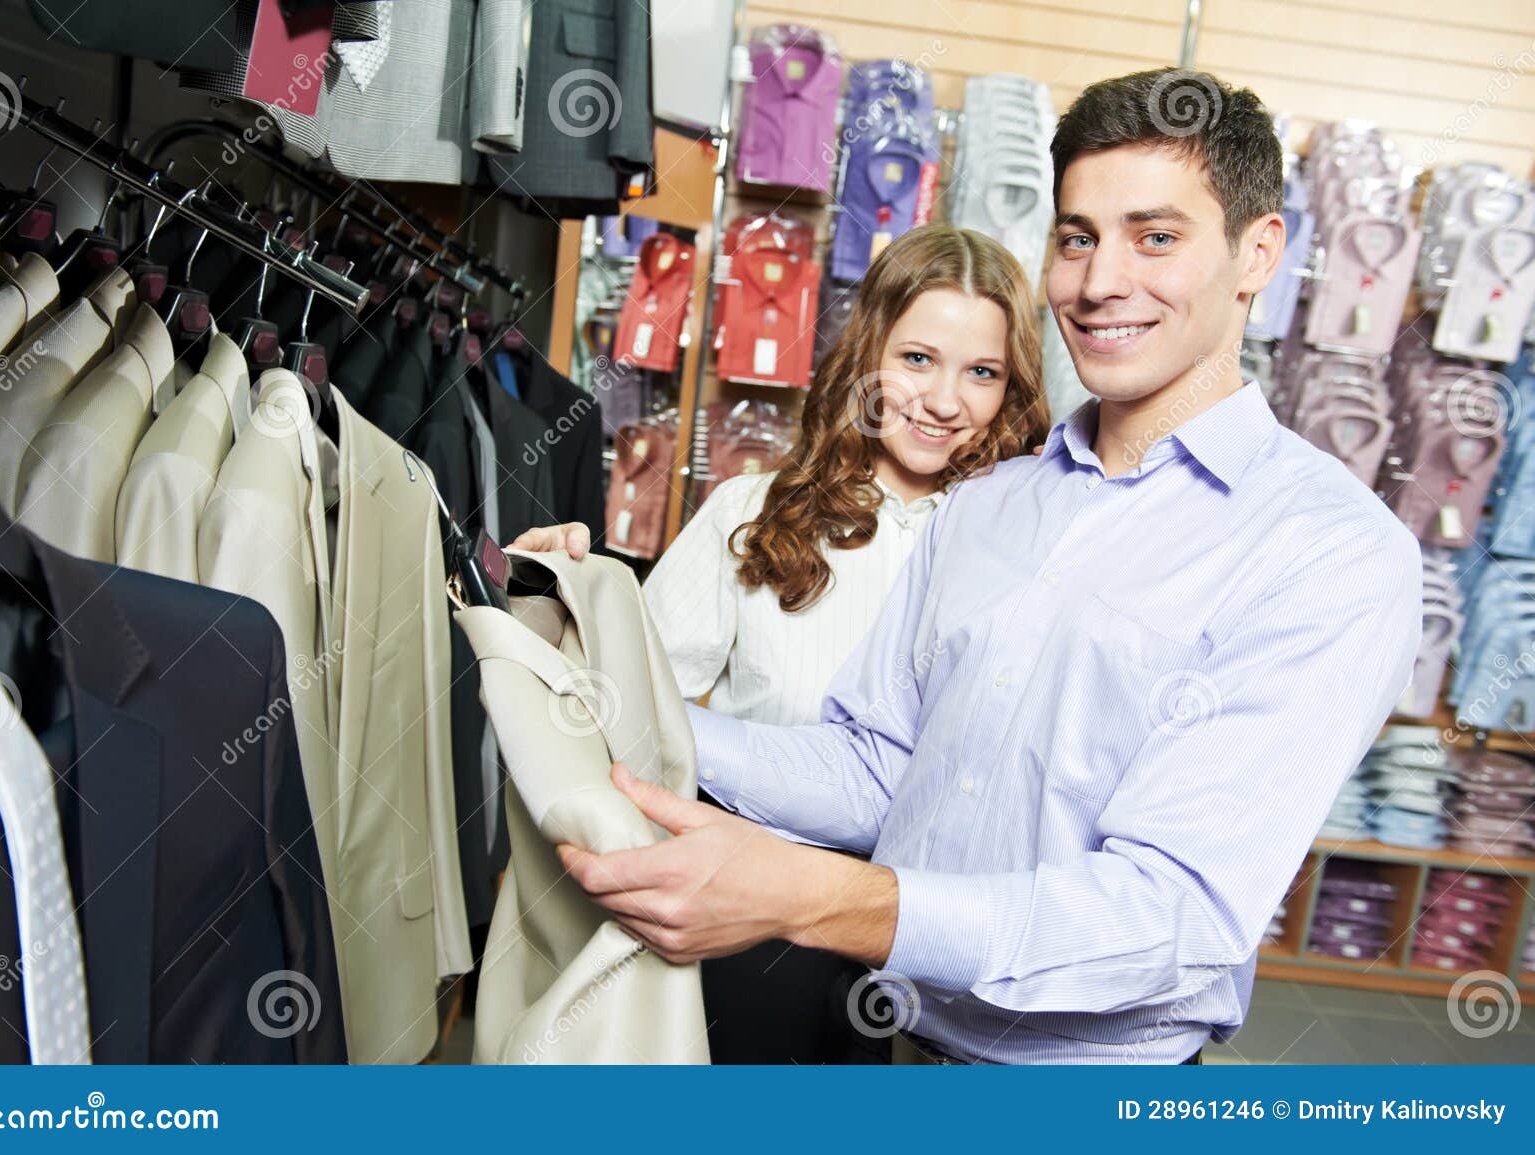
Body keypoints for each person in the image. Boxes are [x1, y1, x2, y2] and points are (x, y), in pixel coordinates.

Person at [533, 68, 1423, 1064]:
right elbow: (877, 768)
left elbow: (1171, 917)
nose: (1098, 283)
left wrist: (812, 896)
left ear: (1258, 252)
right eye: (1077, 237)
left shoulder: (1329, 552)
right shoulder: (989, 507)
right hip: (882, 1037)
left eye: (1155, 237)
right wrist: (608, 704)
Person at [513, 223, 1051, 1063]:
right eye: (917, 359)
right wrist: (570, 594)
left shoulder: (1025, 545)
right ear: (867, 354)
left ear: (1011, 386)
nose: (945, 401)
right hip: (751, 927)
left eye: (981, 372)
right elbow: (625, 701)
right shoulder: (751, 513)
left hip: (931, 936)